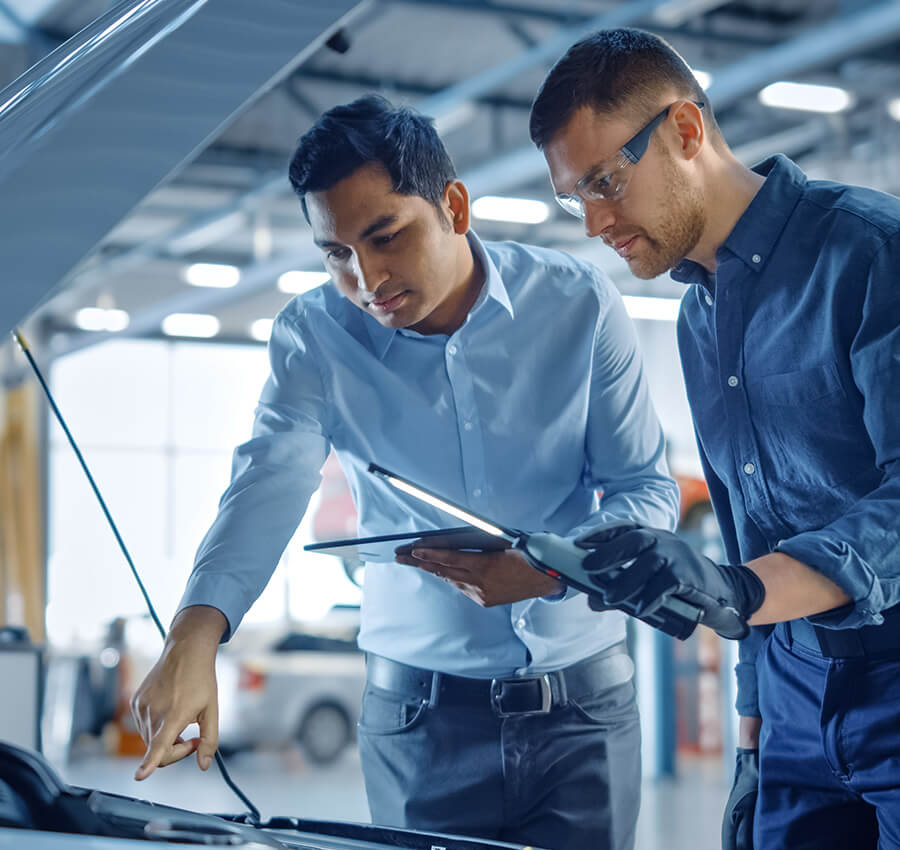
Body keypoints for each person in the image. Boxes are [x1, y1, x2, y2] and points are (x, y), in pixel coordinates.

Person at [130, 94, 680, 850]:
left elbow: (645, 491)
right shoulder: (315, 334)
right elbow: (271, 477)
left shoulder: (580, 305)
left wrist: (555, 571)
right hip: (419, 724)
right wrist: (194, 635)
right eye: (336, 254)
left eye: (386, 236)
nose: (366, 277)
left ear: (454, 205)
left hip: (583, 712)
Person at [528, 27, 900, 850]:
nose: (592, 222)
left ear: (686, 132)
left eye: (604, 182)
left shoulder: (874, 253)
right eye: (572, 198)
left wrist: (737, 590)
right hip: (794, 696)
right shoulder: (701, 315)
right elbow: (748, 525)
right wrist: (752, 739)